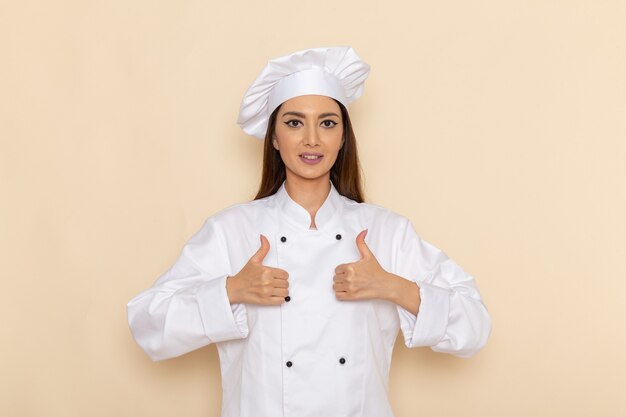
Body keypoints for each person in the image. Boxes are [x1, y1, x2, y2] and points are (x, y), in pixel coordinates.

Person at [126, 46, 491, 417]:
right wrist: (231, 290)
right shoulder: (230, 230)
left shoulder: (387, 231)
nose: (312, 139)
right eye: (294, 122)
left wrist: (391, 286)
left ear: (344, 136)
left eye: (328, 123)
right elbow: (147, 325)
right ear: (273, 137)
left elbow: (475, 327)